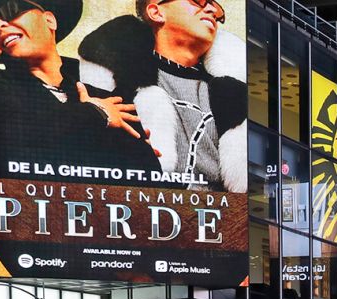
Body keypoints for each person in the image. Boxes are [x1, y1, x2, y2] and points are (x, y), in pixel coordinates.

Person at [0, 0, 160, 180]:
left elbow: (146, 175)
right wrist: (96, 115)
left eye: (10, 9)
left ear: (49, 20)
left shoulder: (110, 98)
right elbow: (3, 138)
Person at [79, 0, 247, 191]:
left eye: (216, 8)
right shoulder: (114, 81)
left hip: (219, 217)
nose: (211, 10)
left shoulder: (232, 95)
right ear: (155, 12)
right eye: (198, 1)